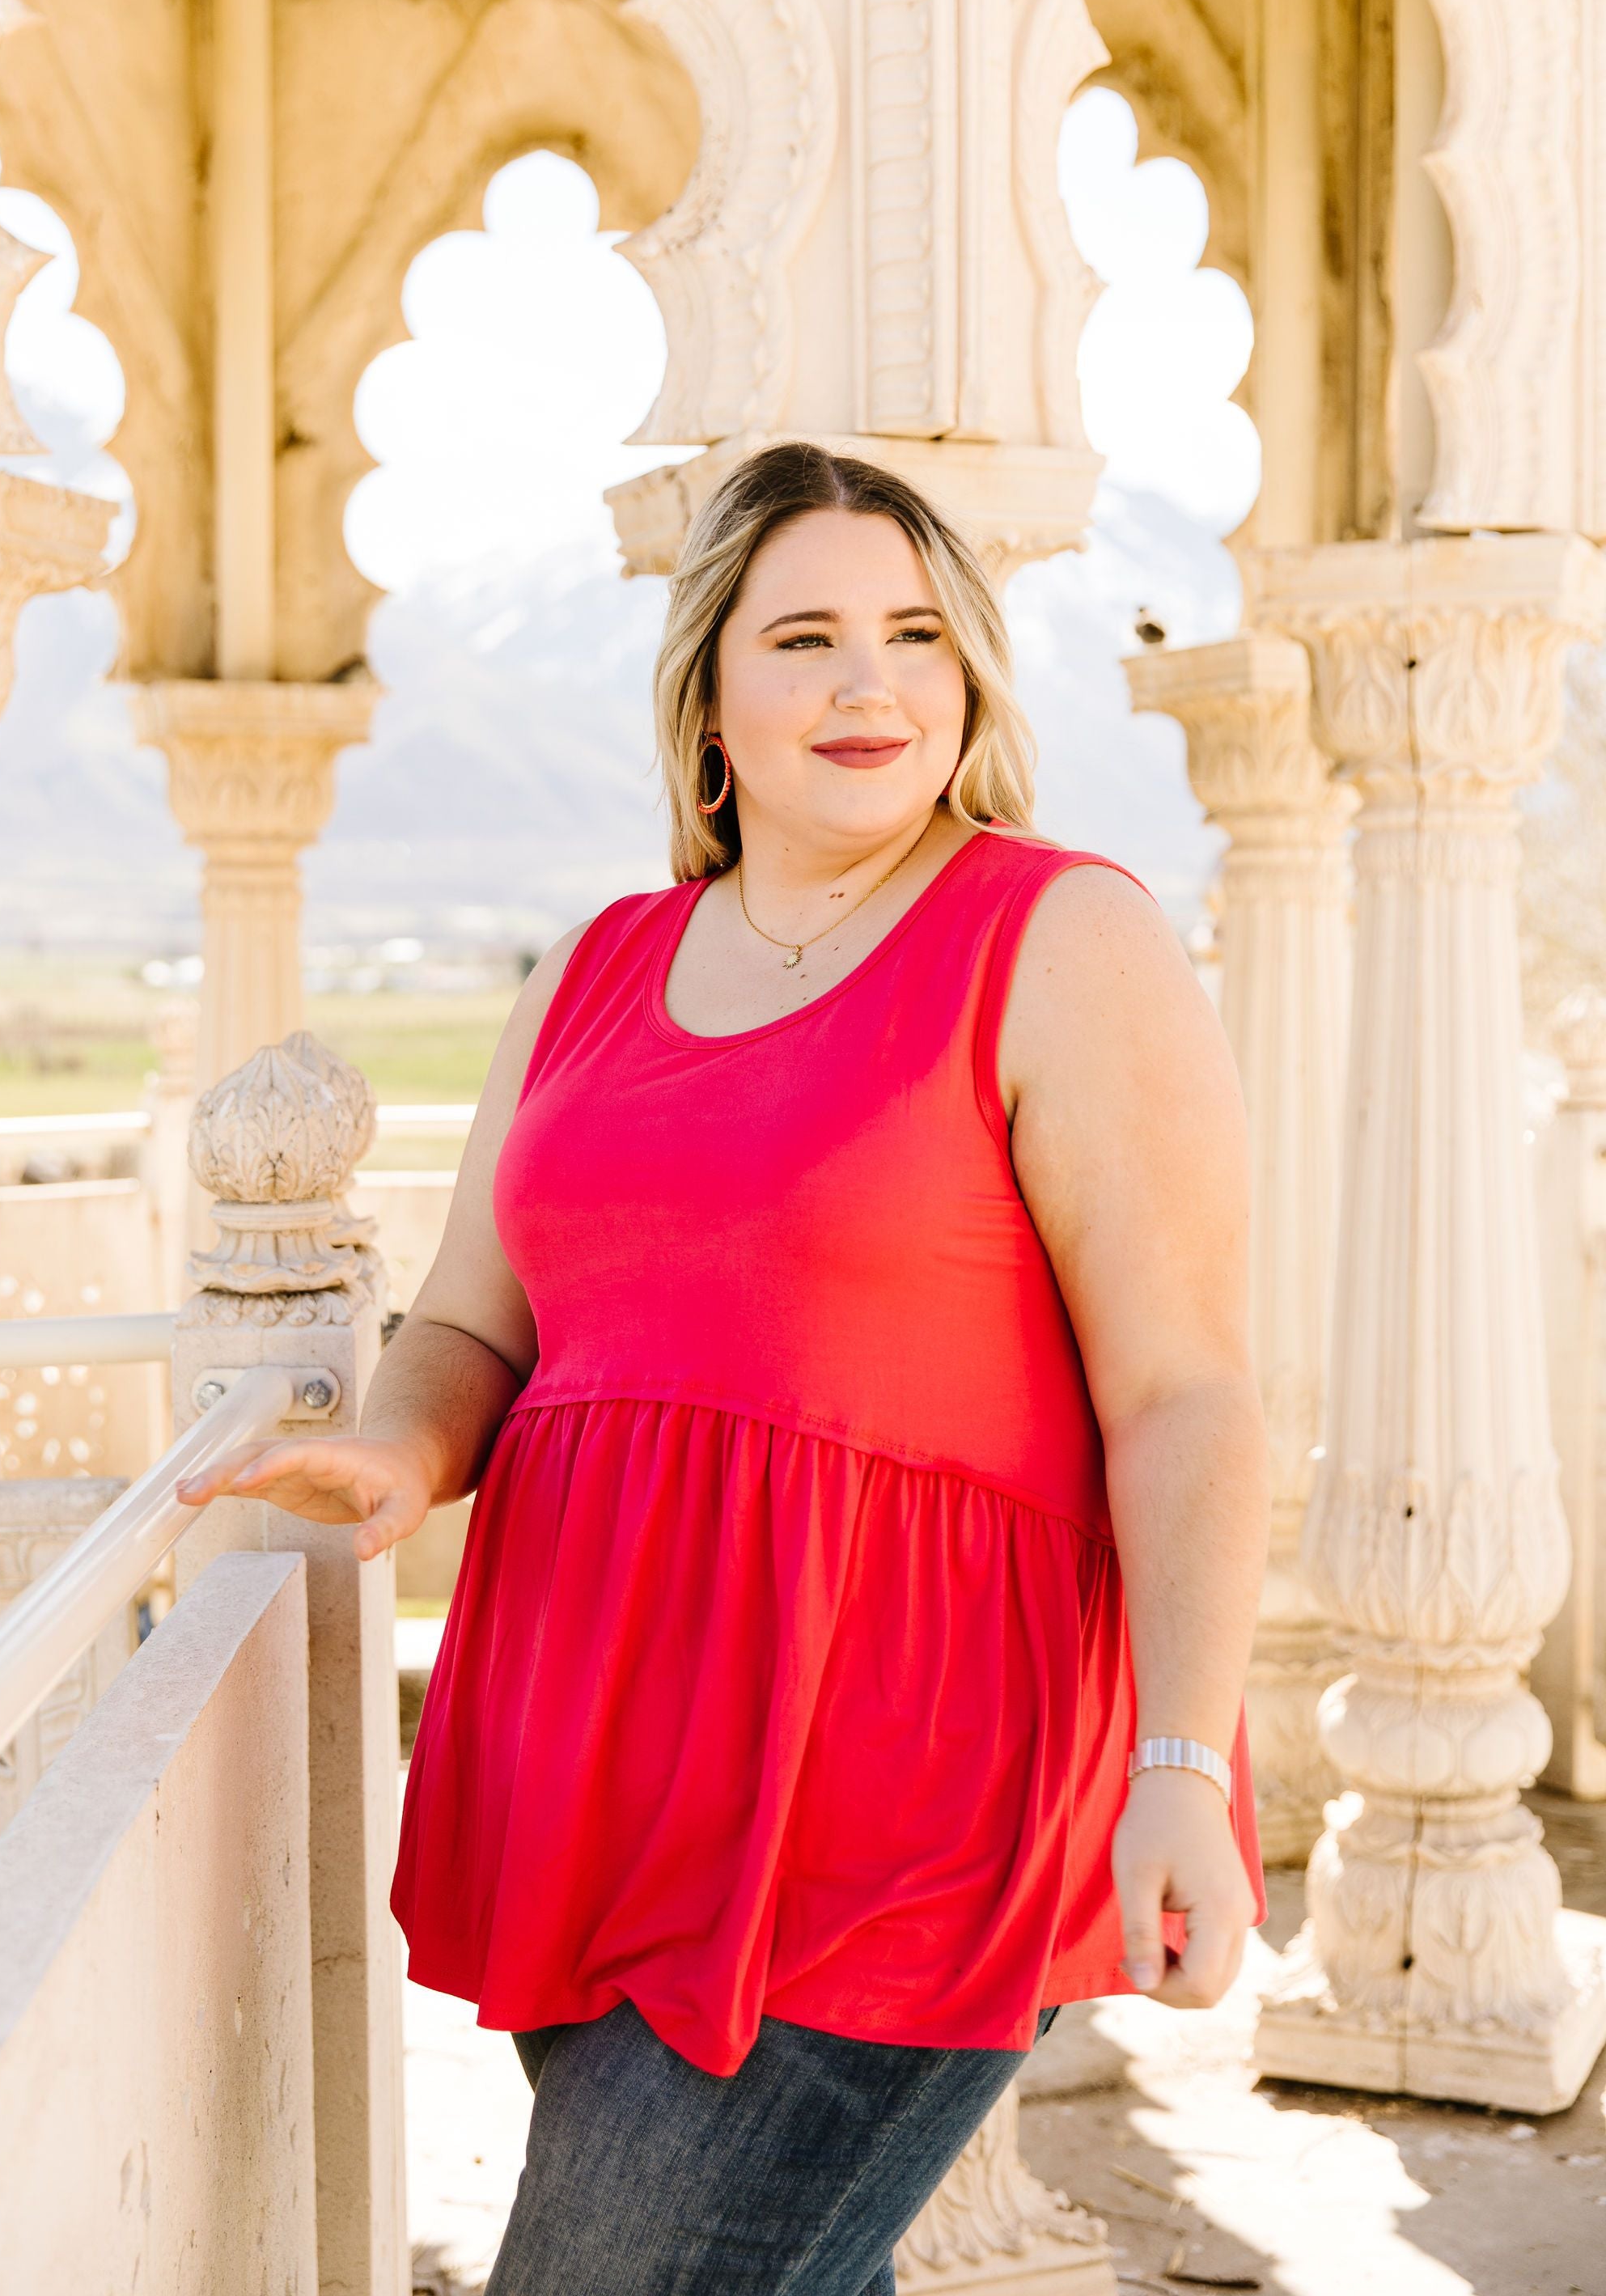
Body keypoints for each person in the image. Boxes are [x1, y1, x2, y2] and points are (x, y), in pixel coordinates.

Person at [179, 440, 1270, 2295]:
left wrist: (1177, 1762)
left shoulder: (1056, 934)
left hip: (905, 1785)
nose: (870, 683)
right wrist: (400, 1451)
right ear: (706, 700)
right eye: (806, 638)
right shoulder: (597, 965)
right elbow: (474, 1320)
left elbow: (1185, 1391)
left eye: (917, 635)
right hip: (600, 1760)